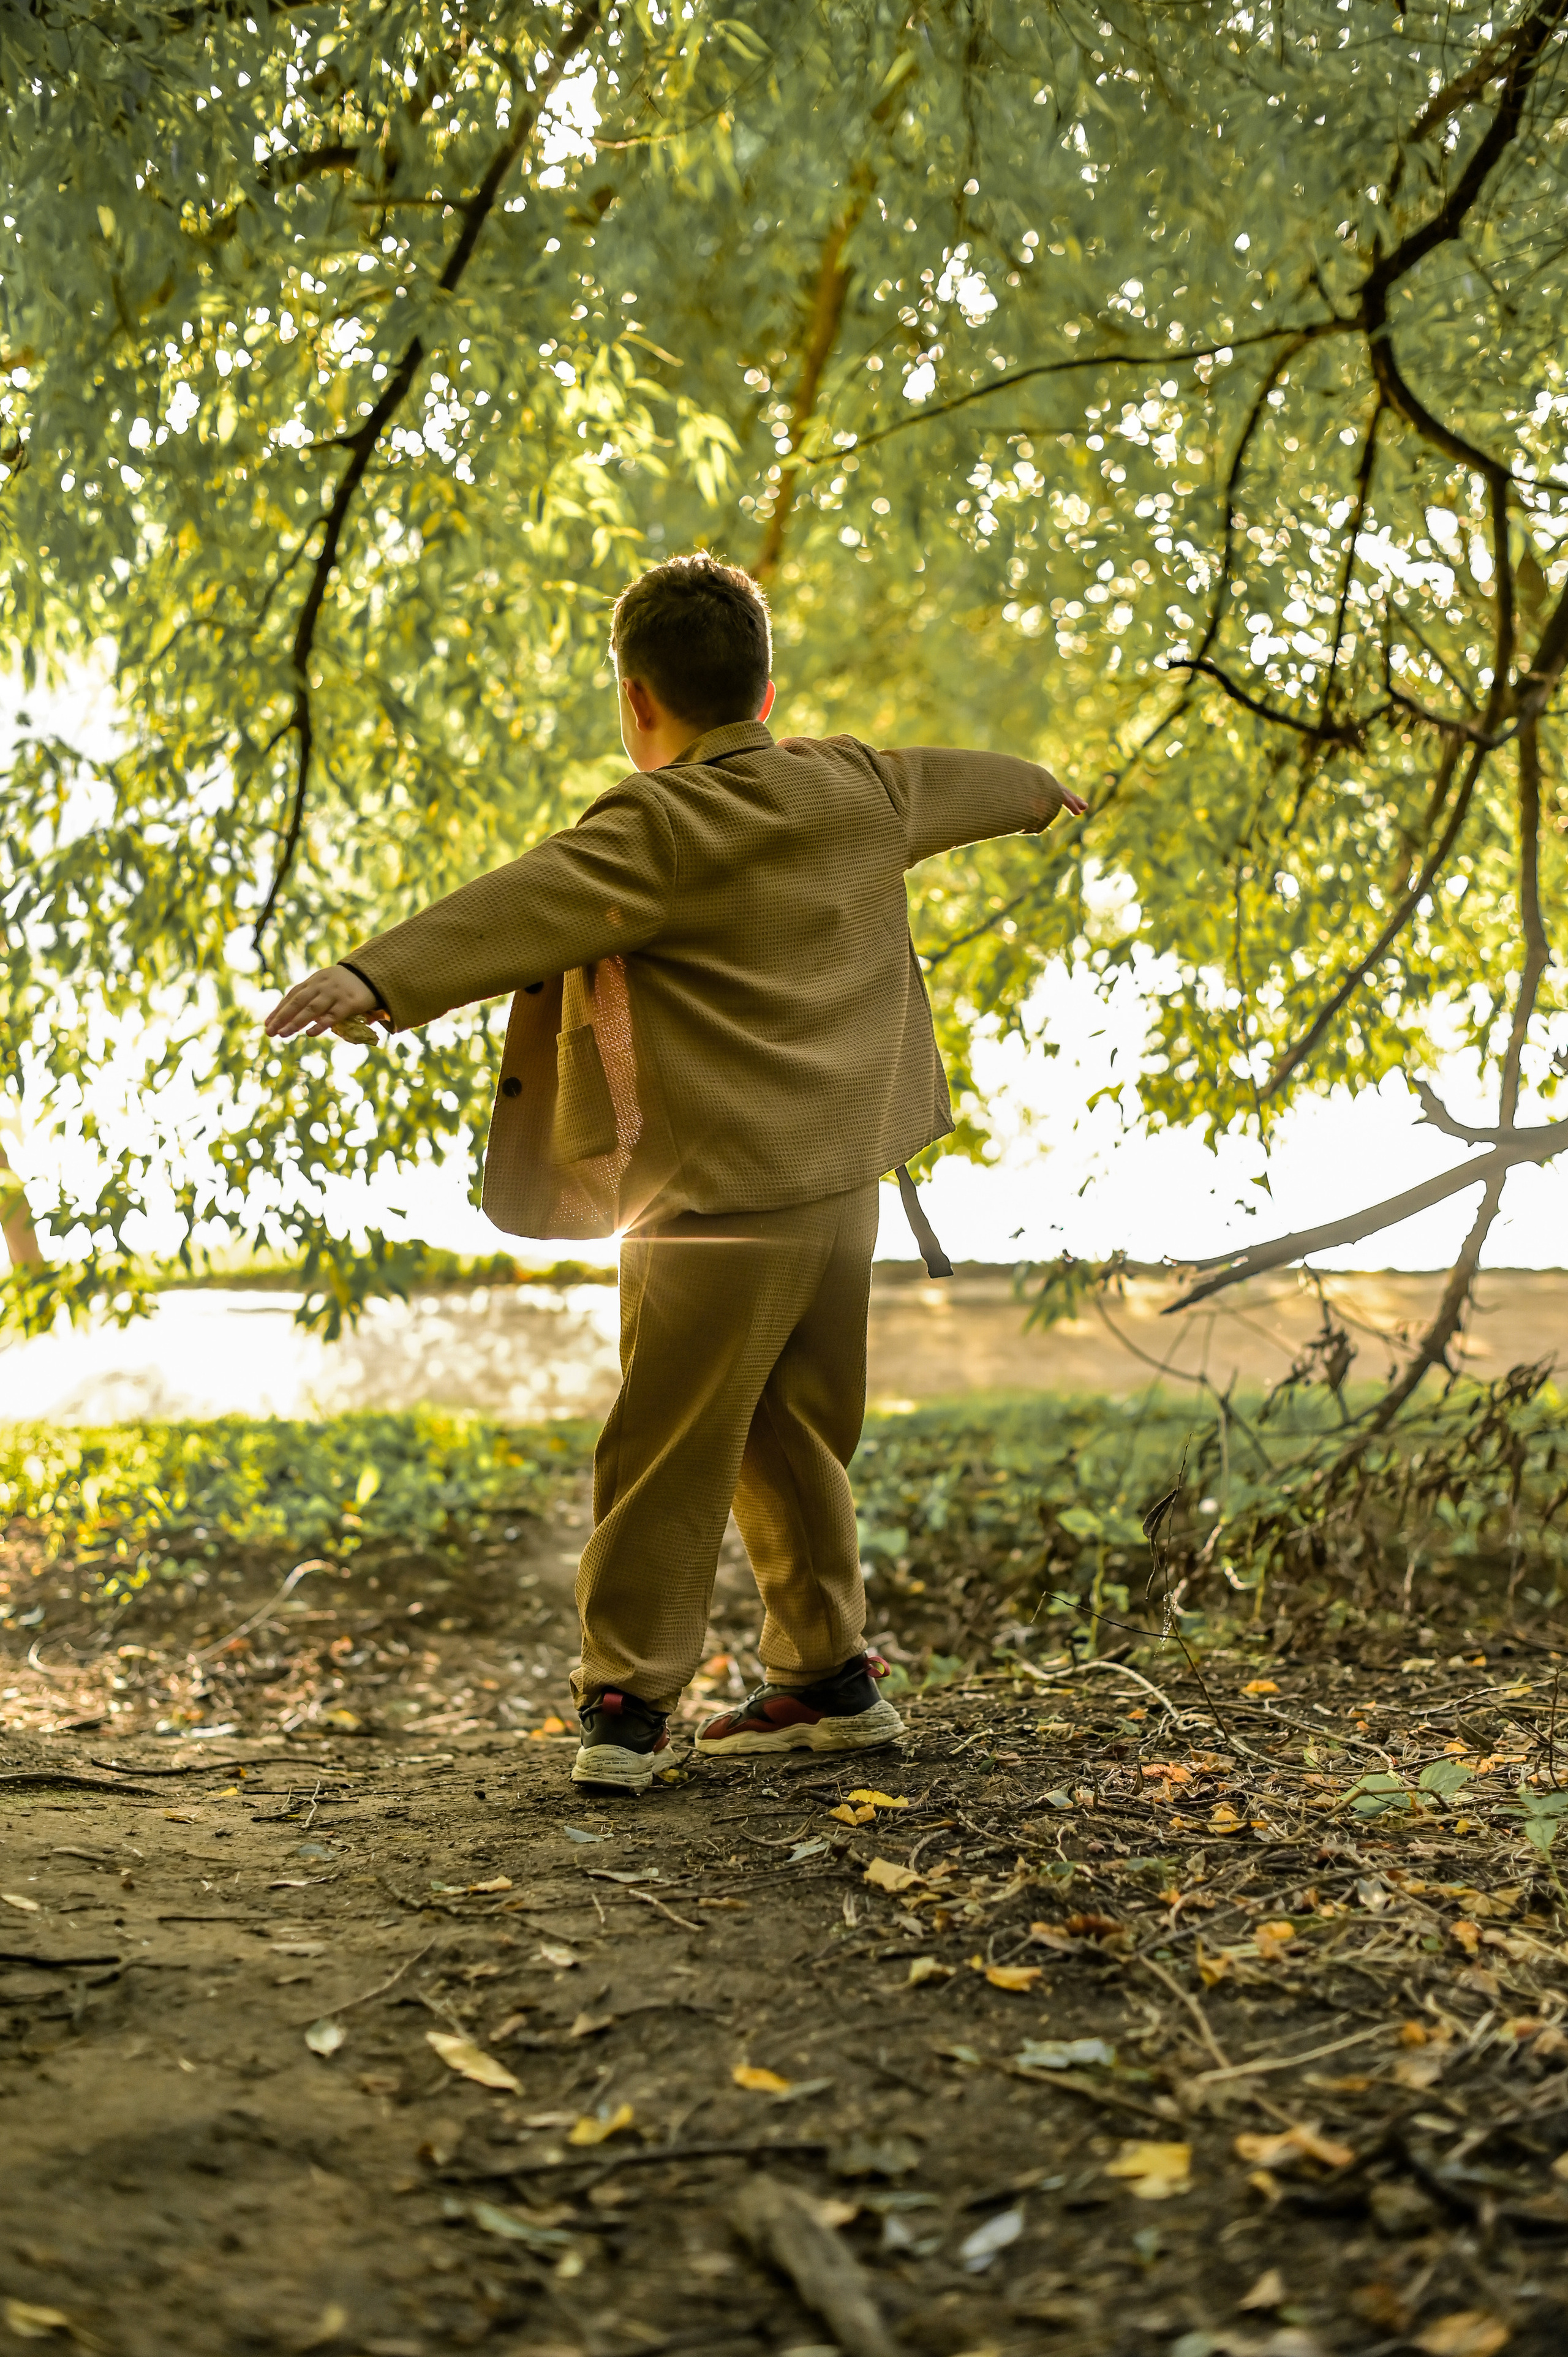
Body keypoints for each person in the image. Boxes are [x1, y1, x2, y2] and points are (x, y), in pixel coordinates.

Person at [265, 553, 1085, 1793]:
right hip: (842, 1189)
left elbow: (523, 902)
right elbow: (958, 782)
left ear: (636, 699)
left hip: (712, 1207)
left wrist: (374, 977)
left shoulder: (658, 824)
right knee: (791, 1429)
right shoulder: (858, 786)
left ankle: (628, 1705)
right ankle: (827, 1680)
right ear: (767, 692)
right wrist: (1038, 789)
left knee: (666, 1439)